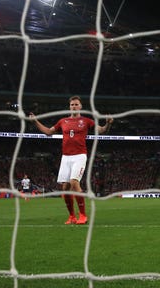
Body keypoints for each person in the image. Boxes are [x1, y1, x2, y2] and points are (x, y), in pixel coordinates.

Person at [30, 95, 113, 225]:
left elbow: (101, 130)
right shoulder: (63, 121)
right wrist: (35, 121)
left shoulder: (86, 121)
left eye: (76, 104)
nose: (74, 106)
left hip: (79, 156)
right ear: (69, 107)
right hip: (66, 157)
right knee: (65, 187)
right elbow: (48, 132)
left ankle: (83, 216)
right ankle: (72, 217)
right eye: (72, 104)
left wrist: (107, 123)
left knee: (74, 182)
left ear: (80, 106)